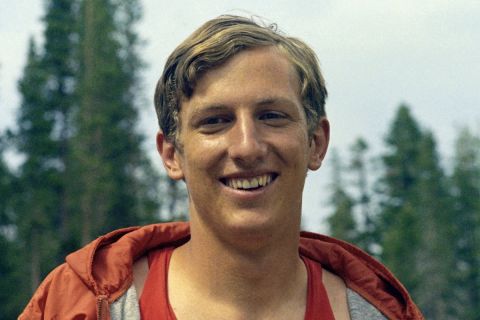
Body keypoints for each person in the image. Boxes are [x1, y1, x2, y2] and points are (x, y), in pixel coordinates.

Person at [20, 15, 423, 320]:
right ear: (172, 155)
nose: (247, 146)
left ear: (316, 143)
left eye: (271, 116)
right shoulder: (84, 305)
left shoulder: (377, 311)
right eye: (215, 121)